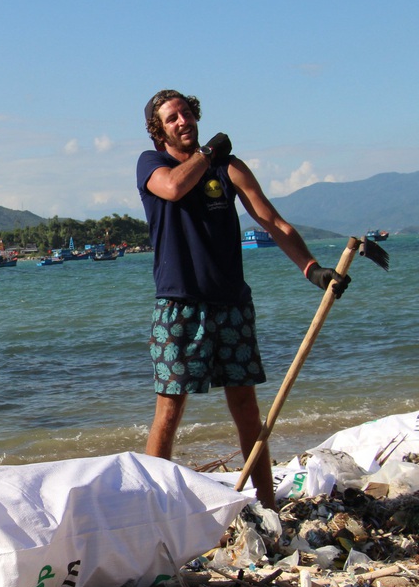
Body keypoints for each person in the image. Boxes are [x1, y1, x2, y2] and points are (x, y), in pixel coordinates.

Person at [136, 89, 350, 509]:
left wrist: (312, 268)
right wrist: (209, 151)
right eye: (172, 118)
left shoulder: (228, 168)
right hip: (180, 306)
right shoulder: (152, 164)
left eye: (186, 113)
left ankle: (268, 507)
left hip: (232, 304)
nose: (183, 121)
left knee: (247, 410)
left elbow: (272, 221)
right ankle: (148, 508)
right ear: (158, 131)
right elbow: (175, 188)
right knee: (169, 411)